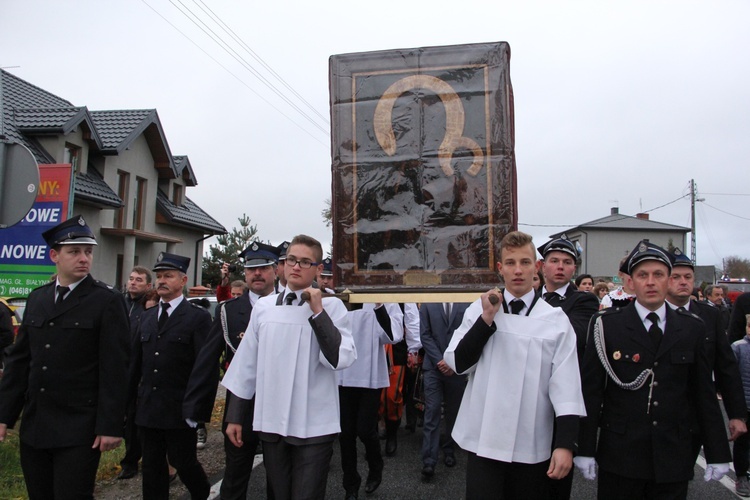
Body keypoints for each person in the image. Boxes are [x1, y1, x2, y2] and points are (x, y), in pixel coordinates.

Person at [576, 240, 732, 499]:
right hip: (621, 456)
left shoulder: (692, 328)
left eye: (658, 274)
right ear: (630, 283)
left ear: (669, 280)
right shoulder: (606, 326)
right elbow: (591, 392)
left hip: (673, 455)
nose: (650, 282)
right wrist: (585, 448)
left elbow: (703, 393)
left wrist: (717, 452)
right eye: (642, 275)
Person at [444, 231, 585, 499]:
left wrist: (565, 444)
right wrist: (486, 321)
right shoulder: (480, 310)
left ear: (537, 267)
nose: (517, 270)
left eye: (524, 262)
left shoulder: (555, 320)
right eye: (510, 263)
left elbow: (566, 386)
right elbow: (458, 363)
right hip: (485, 439)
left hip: (531, 442)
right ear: (500, 269)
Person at [0, 215, 130, 499]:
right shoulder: (38, 298)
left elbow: (115, 368)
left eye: (88, 252)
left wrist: (110, 426)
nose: (83, 258)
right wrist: (4, 415)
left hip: (79, 426)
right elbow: (19, 362)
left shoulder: (106, 301)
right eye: (74, 252)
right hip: (36, 425)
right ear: (54, 256)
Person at [222, 234, 356, 500]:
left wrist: (318, 313)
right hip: (272, 422)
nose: (296, 266)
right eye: (291, 260)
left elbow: (340, 359)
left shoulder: (333, 308)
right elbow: (246, 363)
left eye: (305, 262)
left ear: (318, 269)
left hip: (314, 425)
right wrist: (236, 415)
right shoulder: (264, 307)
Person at [183, 241, 279, 500]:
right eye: (251, 269)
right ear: (245, 274)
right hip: (241, 405)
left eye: (264, 268)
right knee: (235, 476)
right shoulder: (228, 310)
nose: (257, 274)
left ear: (276, 270)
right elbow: (207, 361)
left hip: (280, 402)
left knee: (279, 478)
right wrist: (196, 409)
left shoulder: (289, 305)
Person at [129, 252, 212, 500]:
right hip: (149, 408)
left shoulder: (197, 318)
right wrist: (129, 403)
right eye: (159, 276)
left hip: (179, 408)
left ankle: (202, 493)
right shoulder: (146, 318)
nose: (162, 281)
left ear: (183, 280)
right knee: (152, 467)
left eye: (168, 276)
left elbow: (204, 368)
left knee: (183, 462)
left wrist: (197, 411)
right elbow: (135, 364)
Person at [666, 248, 746, 461]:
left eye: (688, 277)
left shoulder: (709, 315)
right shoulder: (655, 315)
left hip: (696, 412)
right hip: (660, 412)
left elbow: (725, 367)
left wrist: (736, 414)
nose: (683, 282)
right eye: (676, 277)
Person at [537, 237, 599, 499]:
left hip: (561, 401)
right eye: (554, 261)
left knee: (555, 481)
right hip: (528, 394)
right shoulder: (527, 297)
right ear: (542, 266)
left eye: (567, 262)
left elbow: (576, 334)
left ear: (574, 269)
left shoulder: (584, 301)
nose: (560, 267)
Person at [338, 302, 403, 499]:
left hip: (369, 374)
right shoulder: (339, 299)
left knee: (365, 430)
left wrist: (379, 305)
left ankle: (376, 466)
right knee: (346, 434)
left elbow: (393, 336)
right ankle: (351, 484)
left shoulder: (386, 302)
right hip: (342, 373)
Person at [419, 301, 470, 479]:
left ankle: (449, 449)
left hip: (456, 367)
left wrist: (452, 361)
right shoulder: (427, 302)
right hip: (433, 367)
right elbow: (424, 335)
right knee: (431, 411)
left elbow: (468, 334)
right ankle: (429, 460)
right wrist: (440, 360)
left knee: (453, 411)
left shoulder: (465, 301)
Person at [119, 265, 154, 480]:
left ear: (148, 285)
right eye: (131, 278)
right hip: (119, 368)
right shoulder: (119, 303)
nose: (133, 282)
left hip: (139, 370)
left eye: (138, 280)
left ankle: (131, 461)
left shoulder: (148, 308)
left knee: (134, 417)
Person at [380, 302, 421, 456]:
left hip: (396, 350)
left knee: (392, 395)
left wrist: (413, 351)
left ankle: (392, 435)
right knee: (373, 396)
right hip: (370, 348)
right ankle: (375, 433)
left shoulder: (403, 297)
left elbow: (412, 322)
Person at [732, 314, 750, 497]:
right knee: (743, 442)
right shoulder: (738, 347)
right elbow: (730, 375)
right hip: (745, 403)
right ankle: (741, 475)